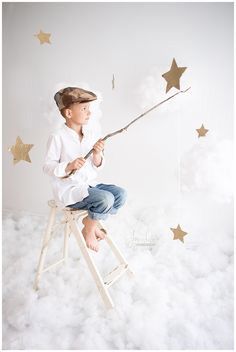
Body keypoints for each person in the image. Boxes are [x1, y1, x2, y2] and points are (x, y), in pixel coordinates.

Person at [43, 87, 127, 252]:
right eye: (84, 109)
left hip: (89, 185)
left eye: (89, 109)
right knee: (105, 200)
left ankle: (90, 222)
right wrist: (69, 166)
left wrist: (97, 154)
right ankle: (90, 229)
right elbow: (47, 166)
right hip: (70, 189)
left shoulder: (90, 134)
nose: (89, 113)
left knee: (120, 194)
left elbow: (97, 164)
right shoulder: (57, 137)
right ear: (68, 113)